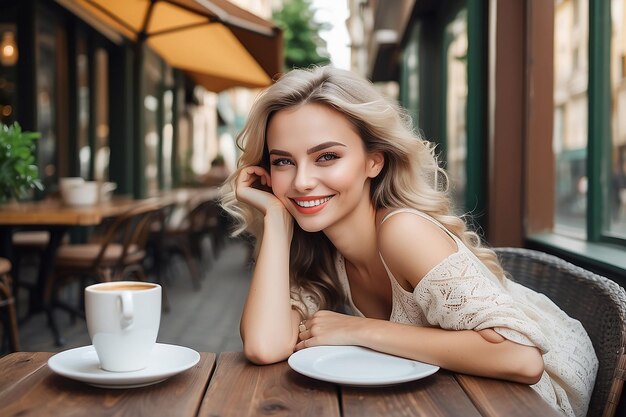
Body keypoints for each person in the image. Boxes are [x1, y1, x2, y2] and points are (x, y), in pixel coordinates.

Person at [221, 66, 597, 417]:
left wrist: (359, 330)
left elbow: (521, 359)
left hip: (521, 403)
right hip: (445, 398)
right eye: (283, 162)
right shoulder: (319, 246)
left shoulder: (402, 232)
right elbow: (264, 346)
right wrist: (276, 219)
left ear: (374, 162)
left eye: (327, 156)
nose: (301, 181)